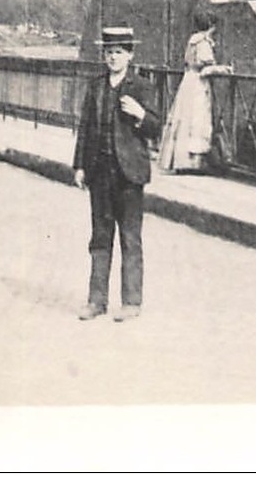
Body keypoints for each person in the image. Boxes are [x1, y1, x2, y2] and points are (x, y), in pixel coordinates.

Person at [71, 26, 161, 322]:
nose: (113, 57)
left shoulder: (142, 87)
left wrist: (141, 115)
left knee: (130, 237)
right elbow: (84, 128)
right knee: (100, 236)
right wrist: (80, 166)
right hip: (100, 171)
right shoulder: (96, 87)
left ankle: (132, 302)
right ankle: (97, 300)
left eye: (119, 52)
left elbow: (158, 128)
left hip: (129, 173)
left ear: (130, 55)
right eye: (109, 52)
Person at [158, 9, 231, 174]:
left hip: (188, 81)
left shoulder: (192, 41)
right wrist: (224, 69)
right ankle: (191, 163)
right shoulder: (203, 43)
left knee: (184, 119)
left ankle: (178, 159)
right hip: (198, 84)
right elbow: (205, 69)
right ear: (210, 27)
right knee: (197, 120)